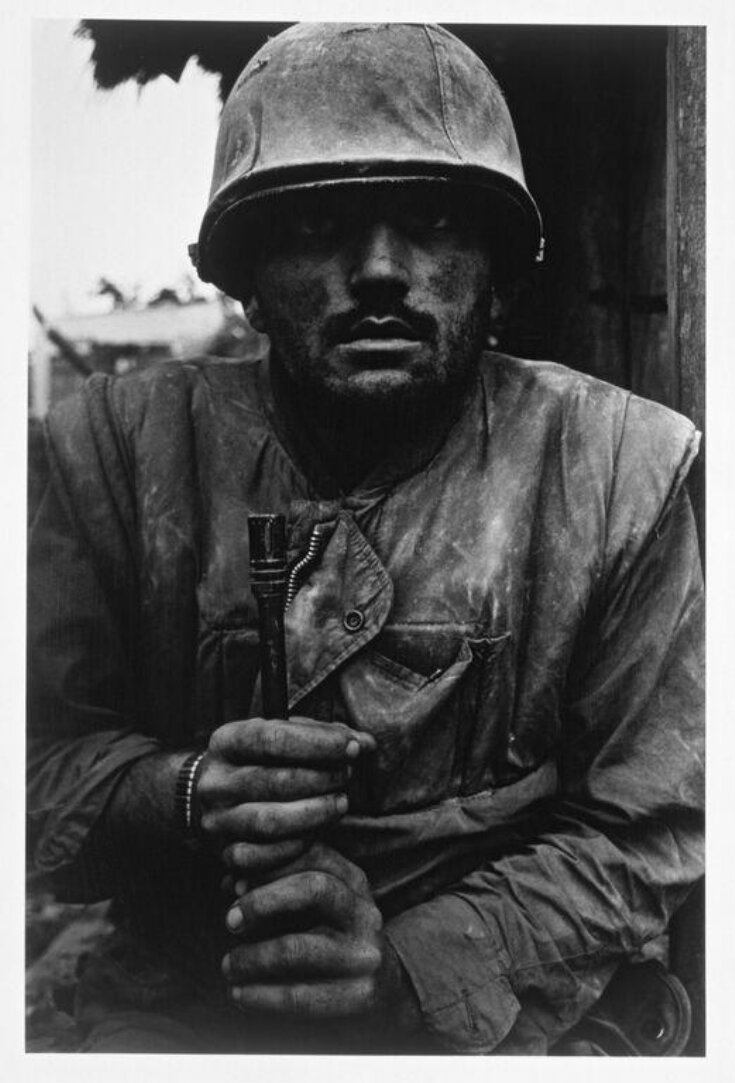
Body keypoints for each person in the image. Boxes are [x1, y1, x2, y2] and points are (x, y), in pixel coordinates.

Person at [27, 23, 704, 1055]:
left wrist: (420, 971)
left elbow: (653, 824)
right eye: (320, 225)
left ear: (499, 276)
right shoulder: (113, 455)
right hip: (190, 996)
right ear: (246, 276)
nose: (380, 271)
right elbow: (31, 767)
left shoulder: (621, 469)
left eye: (433, 222)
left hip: (524, 1001)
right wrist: (186, 795)